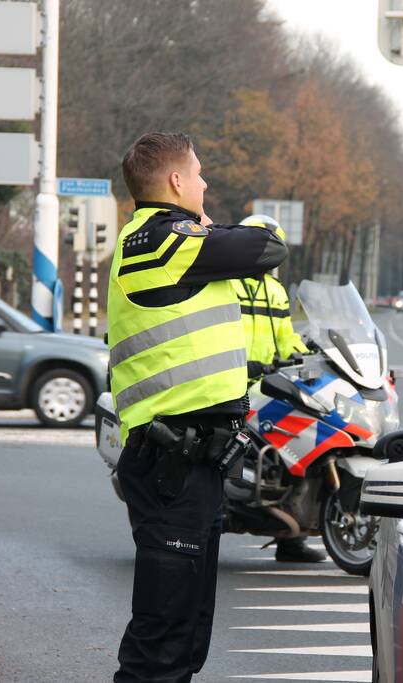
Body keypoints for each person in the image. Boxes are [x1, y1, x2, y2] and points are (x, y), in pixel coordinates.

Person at [107, 132, 286, 683]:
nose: (206, 184)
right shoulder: (158, 241)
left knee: (186, 634)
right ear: (177, 182)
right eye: (200, 173)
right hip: (171, 463)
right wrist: (213, 229)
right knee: (162, 635)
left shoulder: (174, 244)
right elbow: (268, 247)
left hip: (195, 462)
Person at [230, 214, 323, 563]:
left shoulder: (276, 290)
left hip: (267, 384)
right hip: (231, 382)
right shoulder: (226, 283)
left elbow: (284, 336)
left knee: (295, 448)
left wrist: (307, 354)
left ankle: (291, 538)